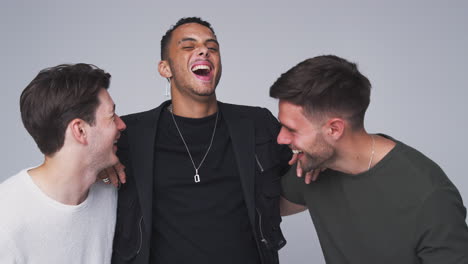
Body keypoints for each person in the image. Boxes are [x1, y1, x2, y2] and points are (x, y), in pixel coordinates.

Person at [110, 17, 291, 264]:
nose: (204, 50)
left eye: (212, 47)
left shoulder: (258, 124)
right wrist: (98, 164)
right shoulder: (129, 134)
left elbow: (302, 183)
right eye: (188, 46)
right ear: (165, 68)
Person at [271, 55, 468, 263]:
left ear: (334, 129)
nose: (281, 138)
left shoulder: (430, 196)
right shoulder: (315, 165)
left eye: (292, 130)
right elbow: (262, 208)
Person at [0, 64, 127, 264]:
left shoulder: (110, 193)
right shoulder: (6, 220)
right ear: (80, 131)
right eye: (112, 117)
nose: (122, 125)